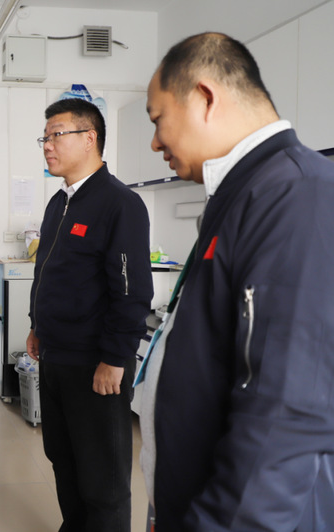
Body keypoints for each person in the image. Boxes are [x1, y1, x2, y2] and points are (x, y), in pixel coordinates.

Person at [139, 32, 334, 531]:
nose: (155, 141)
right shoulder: (242, 194)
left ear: (205, 97)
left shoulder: (297, 195)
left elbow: (285, 418)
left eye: (158, 119)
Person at [27, 98, 153, 532]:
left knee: (104, 477)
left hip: (95, 363)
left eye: (56, 135)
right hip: (55, 357)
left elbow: (132, 291)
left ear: (89, 138)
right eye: (45, 137)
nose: (47, 145)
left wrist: (115, 357)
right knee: (63, 459)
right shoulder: (58, 203)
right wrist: (35, 325)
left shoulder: (120, 203)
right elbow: (46, 271)